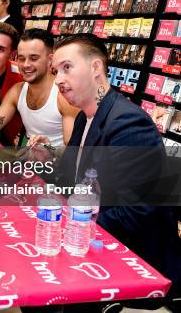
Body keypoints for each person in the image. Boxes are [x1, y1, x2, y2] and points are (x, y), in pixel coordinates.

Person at [52, 34, 179, 311]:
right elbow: (73, 183)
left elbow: (136, 211)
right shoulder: (86, 116)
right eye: (56, 71)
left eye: (67, 67)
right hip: (91, 245)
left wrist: (70, 229)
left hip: (131, 263)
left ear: (96, 68)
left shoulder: (128, 122)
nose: (58, 79)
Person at [0, 29, 78, 148]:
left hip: (58, 163)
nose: (26, 65)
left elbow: (75, 150)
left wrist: (50, 152)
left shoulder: (64, 96)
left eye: (33, 58)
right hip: (29, 161)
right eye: (21, 58)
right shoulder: (17, 91)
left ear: (50, 60)